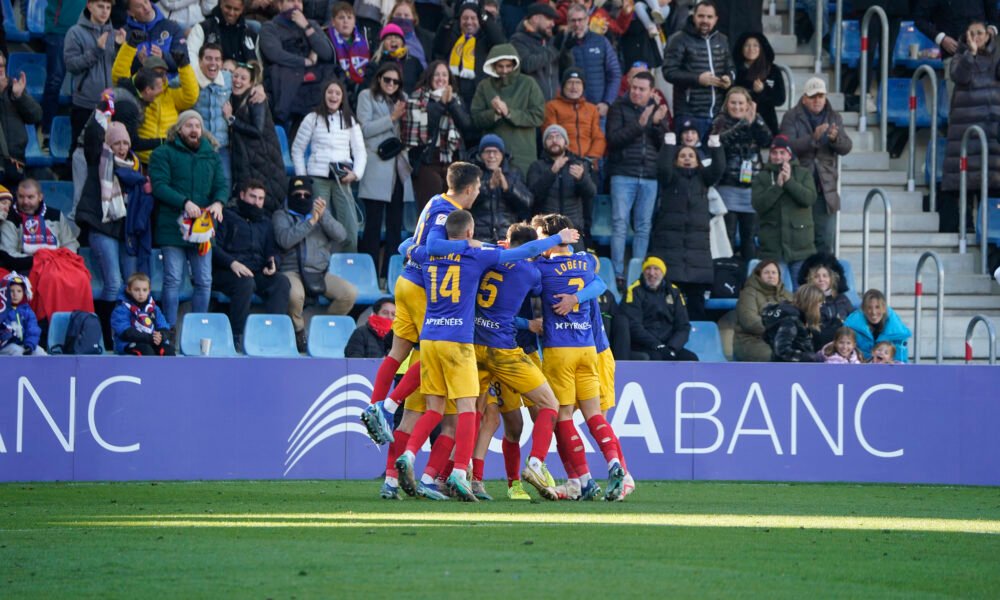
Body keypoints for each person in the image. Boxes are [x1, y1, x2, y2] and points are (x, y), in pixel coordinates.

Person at [393, 209, 577, 501]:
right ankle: (529, 465)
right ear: (468, 232)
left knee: (462, 414)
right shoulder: (516, 267)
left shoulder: (465, 255)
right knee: (544, 404)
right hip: (495, 348)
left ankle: (433, 469)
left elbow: (405, 246)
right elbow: (536, 272)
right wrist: (557, 240)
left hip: (451, 340)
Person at [360, 162, 482, 445]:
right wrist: (470, 246)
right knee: (432, 353)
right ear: (468, 189)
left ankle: (375, 407)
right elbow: (436, 247)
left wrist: (410, 248)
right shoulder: (447, 212)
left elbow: (413, 242)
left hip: (406, 281)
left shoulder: (434, 201)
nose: (477, 194)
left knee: (397, 352)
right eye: (477, 189)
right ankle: (388, 407)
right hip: (420, 288)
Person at [534, 212, 627, 500]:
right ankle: (613, 463)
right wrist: (577, 297)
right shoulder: (586, 262)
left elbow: (527, 278)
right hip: (588, 348)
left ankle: (583, 478)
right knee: (594, 415)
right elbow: (600, 285)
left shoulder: (542, 269)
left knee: (563, 416)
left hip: (559, 350)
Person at [148, 111, 228, 330]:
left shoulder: (211, 155)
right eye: (189, 125)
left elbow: (221, 184)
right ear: (179, 129)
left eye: (198, 126)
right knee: (173, 279)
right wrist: (184, 202)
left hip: (202, 230)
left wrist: (219, 202)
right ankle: (169, 329)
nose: (194, 130)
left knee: (204, 280)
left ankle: (198, 328)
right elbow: (160, 186)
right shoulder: (163, 153)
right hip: (172, 229)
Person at [76, 122, 153, 346]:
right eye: (116, 143)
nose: (121, 147)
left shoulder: (137, 168)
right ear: (108, 144)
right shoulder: (99, 162)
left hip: (126, 233)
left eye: (125, 143)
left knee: (131, 284)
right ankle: (108, 337)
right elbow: (91, 138)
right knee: (114, 283)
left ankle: (128, 334)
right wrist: (102, 112)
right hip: (102, 229)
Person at [273, 176, 358, 351]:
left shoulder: (320, 212)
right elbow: (285, 240)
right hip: (292, 270)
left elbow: (342, 235)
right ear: (290, 195)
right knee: (295, 296)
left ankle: (322, 328)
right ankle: (299, 331)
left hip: (320, 271)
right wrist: (310, 222)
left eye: (306, 195)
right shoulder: (281, 215)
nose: (302, 198)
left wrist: (323, 217)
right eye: (298, 195)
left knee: (349, 293)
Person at [648, 133, 726, 320]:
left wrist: (715, 146)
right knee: (669, 302)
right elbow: (663, 168)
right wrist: (668, 145)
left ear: (698, 160)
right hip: (671, 248)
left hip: (697, 252)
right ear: (676, 161)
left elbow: (718, 168)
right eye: (682, 156)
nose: (687, 159)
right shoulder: (669, 178)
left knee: (696, 304)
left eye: (691, 156)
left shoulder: (703, 179)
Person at [606, 71, 669, 290]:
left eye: (642, 89)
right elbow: (613, 140)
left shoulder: (658, 111)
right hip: (623, 173)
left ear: (652, 91)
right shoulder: (618, 107)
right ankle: (618, 273)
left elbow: (664, 146)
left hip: (650, 176)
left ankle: (637, 271)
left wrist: (657, 124)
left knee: (643, 226)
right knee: (620, 224)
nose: (636, 92)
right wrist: (640, 124)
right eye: (634, 87)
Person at [212, 181, 292, 351]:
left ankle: (274, 336)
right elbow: (213, 248)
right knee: (246, 282)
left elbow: (272, 250)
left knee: (281, 282)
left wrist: (272, 262)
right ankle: (237, 337)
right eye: (253, 196)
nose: (257, 202)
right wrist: (232, 263)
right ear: (242, 195)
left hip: (256, 270)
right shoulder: (226, 216)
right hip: (227, 271)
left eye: (261, 198)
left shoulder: (266, 222)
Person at [292, 78, 366, 253]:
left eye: (337, 93)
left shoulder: (350, 120)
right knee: (321, 224)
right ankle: (322, 267)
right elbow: (297, 149)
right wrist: (304, 178)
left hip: (343, 179)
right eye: (330, 92)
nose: (333, 96)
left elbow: (360, 151)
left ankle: (349, 267)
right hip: (317, 179)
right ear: (324, 95)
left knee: (350, 225)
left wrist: (355, 174)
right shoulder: (312, 118)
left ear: (342, 97)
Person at [780, 77, 853, 255]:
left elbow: (846, 147)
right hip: (798, 186)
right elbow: (786, 148)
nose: (817, 100)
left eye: (820, 96)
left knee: (825, 240)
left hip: (824, 187)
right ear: (804, 97)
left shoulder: (834, 116)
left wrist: (835, 139)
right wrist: (813, 138)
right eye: (813, 96)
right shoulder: (791, 116)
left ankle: (822, 279)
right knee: (799, 240)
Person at [940, 21, 1000, 233]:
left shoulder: (996, 55)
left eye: (980, 33)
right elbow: (960, 76)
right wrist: (970, 54)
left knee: (991, 182)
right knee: (964, 181)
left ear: (988, 34)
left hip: (991, 129)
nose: (976, 37)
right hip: (965, 130)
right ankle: (965, 227)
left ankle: (989, 229)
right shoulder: (960, 56)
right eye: (972, 33)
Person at [357, 62, 409, 278]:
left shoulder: (402, 99)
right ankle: (368, 274)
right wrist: (392, 118)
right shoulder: (366, 96)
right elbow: (365, 129)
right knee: (373, 224)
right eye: (387, 79)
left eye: (395, 81)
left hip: (397, 168)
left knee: (395, 225)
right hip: (376, 165)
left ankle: (390, 274)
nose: (391, 84)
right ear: (379, 78)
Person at [112, 39, 200, 164]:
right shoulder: (136, 94)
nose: (160, 77)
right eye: (155, 73)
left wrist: (183, 65)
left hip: (165, 158)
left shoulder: (171, 95)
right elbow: (119, 75)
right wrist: (130, 45)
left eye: (163, 73)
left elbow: (191, 96)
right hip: (139, 157)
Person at [712, 86, 772, 261]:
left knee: (749, 238)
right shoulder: (720, 120)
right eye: (733, 103)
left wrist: (757, 121)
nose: (737, 107)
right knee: (728, 237)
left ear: (748, 105)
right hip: (728, 186)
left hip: (751, 188)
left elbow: (767, 140)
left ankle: (748, 276)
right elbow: (719, 141)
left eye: (741, 103)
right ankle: (728, 275)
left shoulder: (755, 119)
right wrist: (742, 124)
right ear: (727, 104)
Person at [402, 60, 473, 208]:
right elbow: (425, 128)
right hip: (426, 159)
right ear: (429, 77)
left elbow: (467, 126)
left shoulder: (456, 99)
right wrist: (441, 104)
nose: (441, 78)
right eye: (436, 75)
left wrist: (451, 103)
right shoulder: (417, 98)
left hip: (452, 158)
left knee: (453, 200)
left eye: (444, 75)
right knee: (433, 187)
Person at [663, 0, 735, 139]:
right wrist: (697, 79)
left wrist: (729, 78)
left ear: (716, 19)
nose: (705, 20)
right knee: (689, 158)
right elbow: (669, 72)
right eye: (701, 16)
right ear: (693, 16)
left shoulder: (722, 39)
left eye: (709, 17)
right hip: (689, 113)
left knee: (714, 159)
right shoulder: (678, 39)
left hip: (718, 114)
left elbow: (731, 67)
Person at [259, 0, 337, 128]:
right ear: (279, 5)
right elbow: (275, 54)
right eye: (291, 1)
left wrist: (307, 28)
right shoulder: (270, 26)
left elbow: (327, 54)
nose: (296, 5)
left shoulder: (311, 24)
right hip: (286, 78)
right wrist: (304, 62)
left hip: (313, 80)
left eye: (299, 1)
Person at [470, 44, 545, 175]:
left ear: (514, 65)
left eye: (508, 66)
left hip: (522, 155)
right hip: (491, 157)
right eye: (500, 66)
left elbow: (538, 116)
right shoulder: (484, 86)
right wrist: (494, 114)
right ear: (493, 65)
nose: (504, 70)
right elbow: (475, 118)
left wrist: (509, 113)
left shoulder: (528, 83)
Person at [752, 133, 817, 275]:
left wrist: (789, 183)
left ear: (789, 155)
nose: (778, 157)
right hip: (773, 248)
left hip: (801, 247)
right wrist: (777, 187)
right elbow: (758, 205)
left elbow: (809, 198)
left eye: (782, 153)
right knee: (776, 292)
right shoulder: (761, 177)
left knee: (801, 292)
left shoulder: (803, 173)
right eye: (774, 153)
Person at [227, 61, 287, 213]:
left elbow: (257, 131)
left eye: (243, 78)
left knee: (262, 205)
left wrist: (231, 120)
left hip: (263, 162)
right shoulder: (232, 98)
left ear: (251, 83)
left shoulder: (255, 99)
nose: (237, 81)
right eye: (235, 76)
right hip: (248, 161)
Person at [527, 124, 596, 250]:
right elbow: (533, 197)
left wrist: (582, 179)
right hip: (546, 232)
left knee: (575, 268)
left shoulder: (578, 164)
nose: (554, 140)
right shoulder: (536, 166)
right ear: (544, 143)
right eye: (549, 138)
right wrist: (552, 172)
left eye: (558, 137)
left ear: (565, 142)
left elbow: (591, 193)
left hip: (573, 230)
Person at [63, 0, 119, 147]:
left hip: (109, 103)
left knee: (105, 150)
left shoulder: (114, 34)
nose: (105, 11)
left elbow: (117, 67)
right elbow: (72, 65)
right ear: (89, 6)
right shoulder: (75, 32)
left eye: (108, 7)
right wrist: (97, 50)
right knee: (79, 148)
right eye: (100, 6)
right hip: (85, 103)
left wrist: (120, 47)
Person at [619, 256, 697, 361]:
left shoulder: (674, 291)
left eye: (656, 269)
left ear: (663, 272)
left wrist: (672, 347)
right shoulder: (634, 291)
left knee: (691, 359)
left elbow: (683, 325)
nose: (651, 273)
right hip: (644, 345)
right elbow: (633, 325)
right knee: (657, 358)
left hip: (669, 345)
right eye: (648, 268)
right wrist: (657, 345)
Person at [431, 0, 506, 109]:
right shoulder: (453, 37)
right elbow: (438, 48)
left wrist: (484, 17)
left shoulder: (485, 39)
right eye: (465, 18)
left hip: (478, 95)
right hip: (453, 93)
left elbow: (499, 41)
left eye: (473, 18)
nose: (469, 22)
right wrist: (447, 21)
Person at [561, 4, 621, 117]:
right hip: (570, 109)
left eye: (580, 20)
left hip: (597, 109)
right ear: (568, 22)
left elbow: (614, 73)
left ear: (587, 19)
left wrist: (607, 102)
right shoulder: (561, 43)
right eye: (573, 20)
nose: (577, 24)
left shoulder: (601, 41)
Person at [542, 68, 607, 170]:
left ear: (583, 87)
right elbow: (551, 134)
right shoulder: (552, 106)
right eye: (570, 82)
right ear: (563, 86)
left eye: (578, 83)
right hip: (563, 162)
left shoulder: (592, 109)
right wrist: (569, 158)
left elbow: (598, 138)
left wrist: (591, 158)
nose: (574, 87)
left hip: (588, 163)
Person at [471, 134, 532, 243]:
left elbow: (527, 203)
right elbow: (465, 201)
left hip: (507, 238)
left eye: (496, 152)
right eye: (487, 152)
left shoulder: (514, 173)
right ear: (480, 155)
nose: (491, 156)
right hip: (479, 238)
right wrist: (488, 186)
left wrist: (508, 188)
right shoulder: (473, 172)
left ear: (502, 155)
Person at [42, 0, 86, 140]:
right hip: (58, 30)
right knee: (54, 81)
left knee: (82, 86)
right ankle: (47, 132)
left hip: (84, 31)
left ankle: (76, 135)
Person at [733, 259, 793, 361]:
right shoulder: (748, 293)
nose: (771, 276)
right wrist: (778, 329)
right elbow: (749, 321)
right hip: (752, 341)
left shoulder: (788, 295)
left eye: (774, 273)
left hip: (783, 340)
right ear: (758, 275)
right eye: (766, 272)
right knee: (778, 355)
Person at [3, 179, 80, 258]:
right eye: (21, 197)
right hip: (25, 268)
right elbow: (9, 253)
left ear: (40, 197)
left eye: (30, 197)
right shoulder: (9, 217)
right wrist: (40, 261)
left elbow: (71, 244)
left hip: (58, 264)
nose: (25, 202)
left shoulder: (56, 215)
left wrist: (61, 260)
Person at [193, 44, 234, 187]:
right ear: (199, 61)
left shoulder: (229, 78)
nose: (213, 63)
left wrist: (259, 88)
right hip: (197, 146)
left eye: (217, 59)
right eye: (208, 58)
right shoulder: (189, 78)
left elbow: (250, 81)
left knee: (225, 184)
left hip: (222, 146)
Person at [510, 2, 567, 101]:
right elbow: (527, 64)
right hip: (531, 104)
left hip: (554, 103)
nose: (553, 24)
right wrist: (554, 50)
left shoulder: (551, 40)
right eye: (549, 19)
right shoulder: (518, 39)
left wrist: (567, 49)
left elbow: (566, 67)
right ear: (535, 18)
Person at [0, 56, 42, 188]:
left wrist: (20, 97)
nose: (0, 69)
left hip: (15, 162)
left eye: (1, 65)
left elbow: (36, 116)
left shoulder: (14, 88)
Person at [110, 272, 175, 356]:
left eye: (144, 290)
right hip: (128, 344)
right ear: (128, 290)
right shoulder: (121, 309)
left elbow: (163, 326)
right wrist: (149, 338)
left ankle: (166, 369)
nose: (141, 293)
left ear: (149, 291)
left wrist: (161, 336)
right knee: (146, 351)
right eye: (136, 290)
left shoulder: (154, 308)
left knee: (168, 350)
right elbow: (125, 333)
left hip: (151, 341)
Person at [733, 32, 784, 136]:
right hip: (739, 122)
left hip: (766, 124)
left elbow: (780, 99)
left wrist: (763, 91)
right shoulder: (735, 70)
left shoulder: (772, 70)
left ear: (762, 48)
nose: (751, 49)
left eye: (755, 45)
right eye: (747, 45)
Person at [761, 283, 825, 362]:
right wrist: (808, 357)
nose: (821, 306)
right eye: (820, 303)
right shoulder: (791, 320)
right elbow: (782, 350)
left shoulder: (799, 318)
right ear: (811, 303)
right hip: (787, 370)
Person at [914, 0, 998, 60]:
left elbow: (995, 16)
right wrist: (941, 38)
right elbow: (919, 19)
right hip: (954, 56)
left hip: (984, 55)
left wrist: (991, 31)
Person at [845, 289, 911, 363]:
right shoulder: (852, 329)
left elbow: (901, 364)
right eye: (869, 308)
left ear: (884, 308)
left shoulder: (897, 332)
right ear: (863, 309)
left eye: (877, 307)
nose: (873, 312)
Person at [187, 0, 260, 67]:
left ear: (242, 9)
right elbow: (191, 57)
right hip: (211, 78)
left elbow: (258, 67)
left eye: (236, 9)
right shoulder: (203, 28)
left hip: (244, 79)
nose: (231, 13)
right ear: (221, 3)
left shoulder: (251, 35)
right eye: (228, 7)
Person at [122, 0, 187, 74]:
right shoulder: (125, 34)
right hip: (141, 83)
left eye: (146, 1)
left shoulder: (171, 27)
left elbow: (184, 61)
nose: (146, 8)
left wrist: (163, 56)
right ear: (130, 12)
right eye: (139, 6)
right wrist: (138, 62)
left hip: (171, 82)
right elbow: (121, 70)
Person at [324, 2, 371, 100]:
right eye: (341, 18)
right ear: (333, 22)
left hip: (362, 85)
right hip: (337, 84)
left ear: (354, 21)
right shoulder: (327, 37)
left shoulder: (364, 38)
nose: (346, 21)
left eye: (349, 18)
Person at [364, 23, 424, 93]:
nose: (393, 40)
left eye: (397, 37)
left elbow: (422, 84)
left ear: (402, 43)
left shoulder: (414, 62)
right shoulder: (375, 64)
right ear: (382, 44)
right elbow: (368, 89)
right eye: (389, 38)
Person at [0, 272, 45, 355]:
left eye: (19, 291)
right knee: (17, 351)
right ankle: (17, 369)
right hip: (6, 346)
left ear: (24, 293)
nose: (15, 294)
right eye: (11, 291)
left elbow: (33, 330)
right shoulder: (2, 310)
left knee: (40, 352)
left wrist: (30, 345)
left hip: (24, 344)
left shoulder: (27, 311)